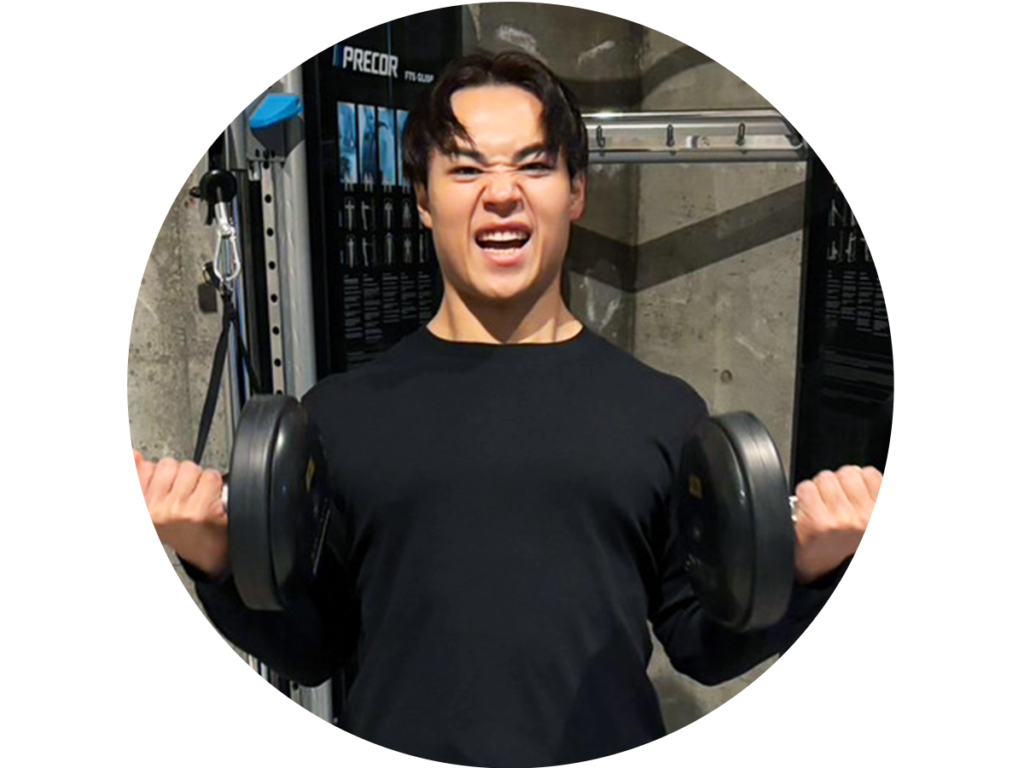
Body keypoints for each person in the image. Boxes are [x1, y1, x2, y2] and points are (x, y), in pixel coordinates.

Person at [133, 51, 882, 767]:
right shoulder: (339, 415)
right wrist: (217, 558)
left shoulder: (663, 411)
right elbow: (310, 647)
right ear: (423, 201)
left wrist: (807, 565)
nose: (501, 193)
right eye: (466, 169)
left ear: (576, 192)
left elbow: (702, 643)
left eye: (534, 165)